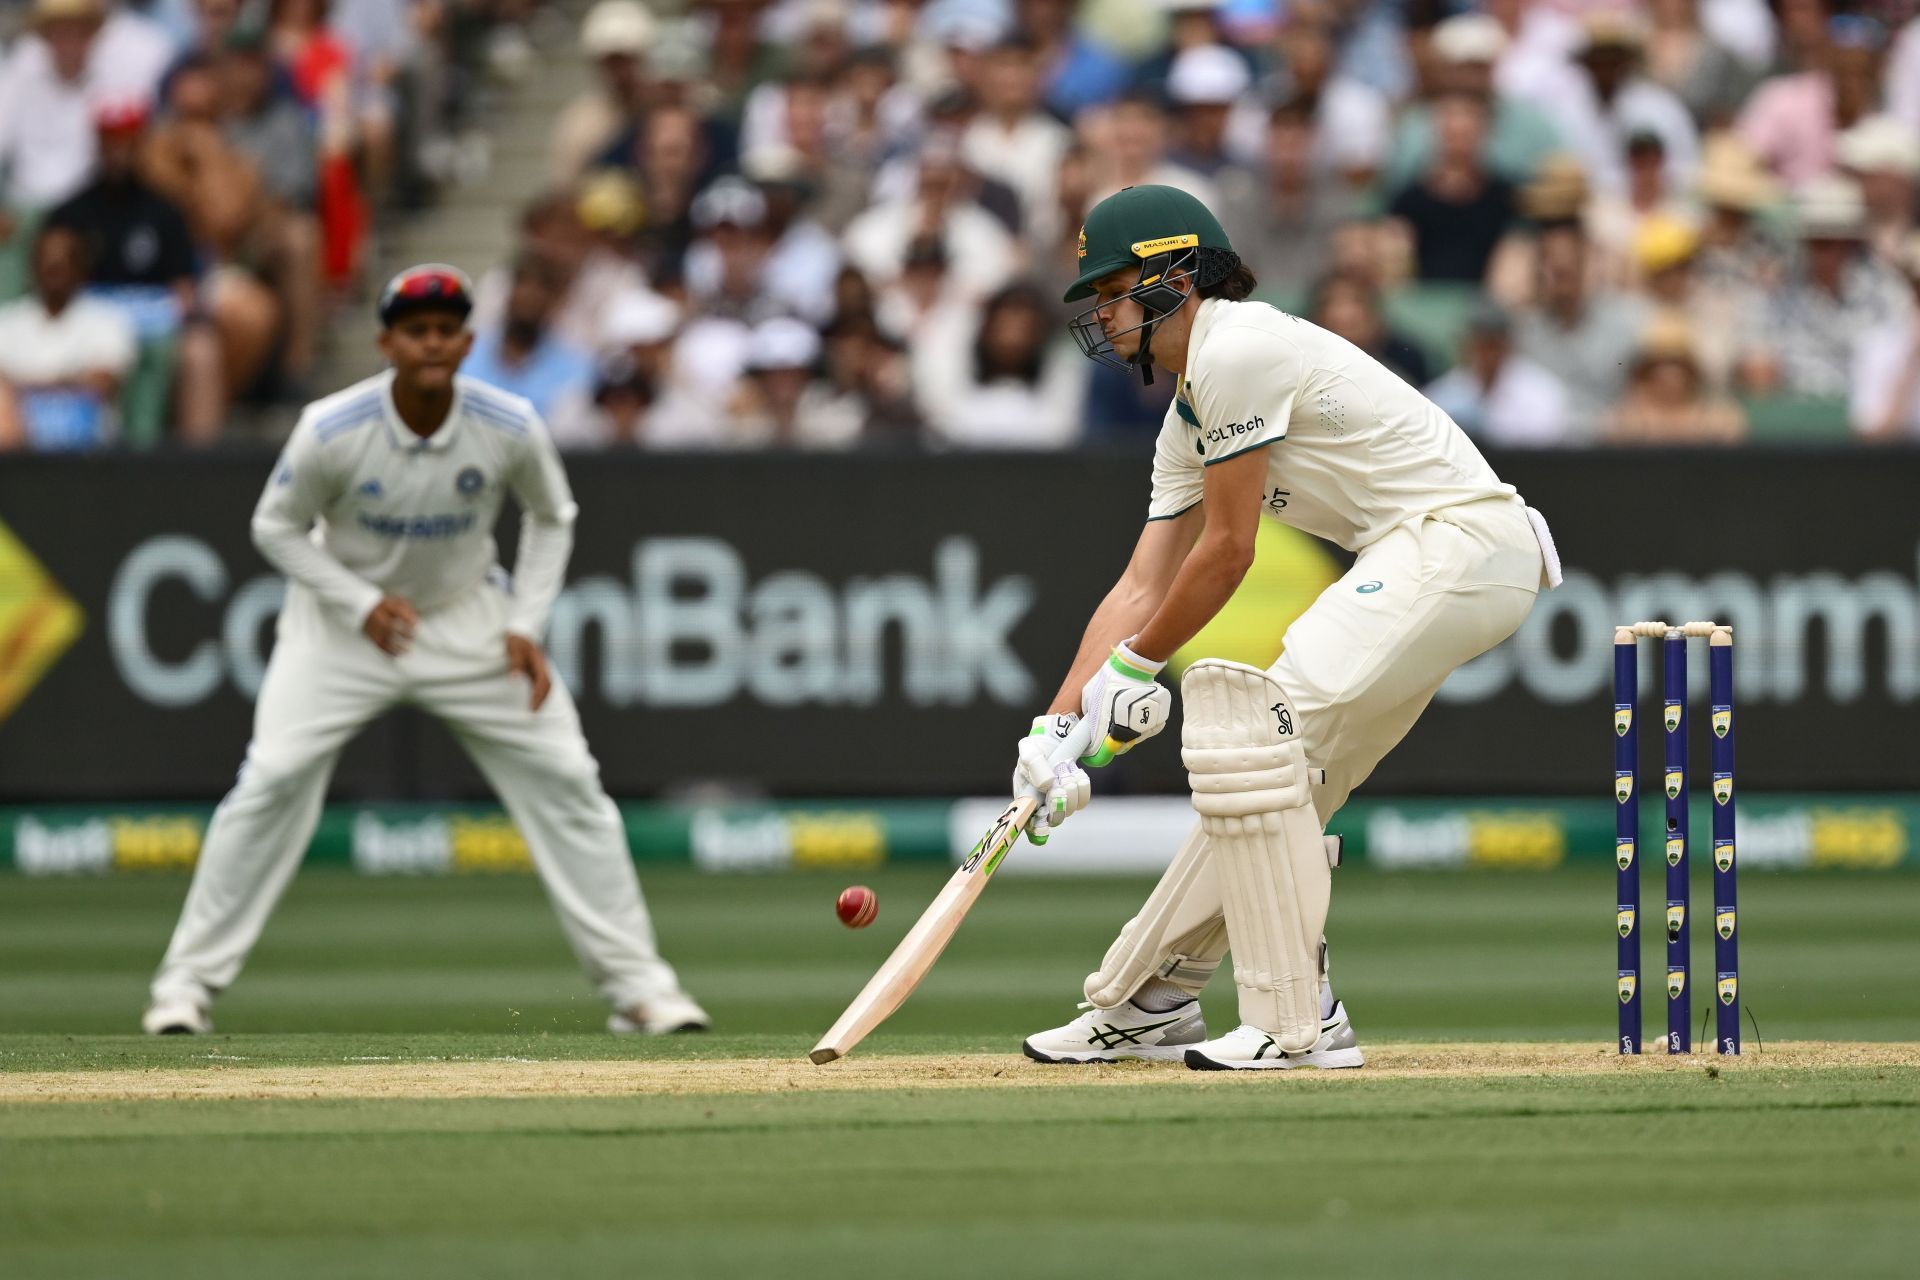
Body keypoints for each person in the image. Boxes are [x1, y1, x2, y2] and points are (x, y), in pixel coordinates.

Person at [1013, 186, 1558, 1070]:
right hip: (1431, 556)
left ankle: (1300, 1019)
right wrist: (1058, 723)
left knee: (1260, 742)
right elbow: (1140, 580)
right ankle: (1149, 1000)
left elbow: (1227, 552)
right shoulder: (1188, 416)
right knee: (1272, 791)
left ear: (1174, 277)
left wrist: (1136, 669)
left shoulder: (1242, 347)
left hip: (1461, 542)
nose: (1104, 315)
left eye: (1113, 290)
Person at [140, 264, 707, 1038]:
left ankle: (644, 992)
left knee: (571, 782)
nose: (433, 344)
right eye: (417, 331)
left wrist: (524, 624)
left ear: (468, 341)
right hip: (341, 627)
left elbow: (553, 516)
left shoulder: (507, 423)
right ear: (386, 343)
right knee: (270, 781)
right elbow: (273, 527)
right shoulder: (331, 430)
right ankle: (184, 989)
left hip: (468, 618)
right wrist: (360, 603)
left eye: (447, 331)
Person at [0, 222, 136, 449]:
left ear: (80, 269)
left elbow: (102, 385)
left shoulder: (109, 321)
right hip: (17, 448)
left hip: (91, 451)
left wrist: (22, 384)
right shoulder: (6, 322)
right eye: (48, 265)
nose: (54, 272)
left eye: (63, 265)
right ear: (33, 267)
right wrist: (70, 379)